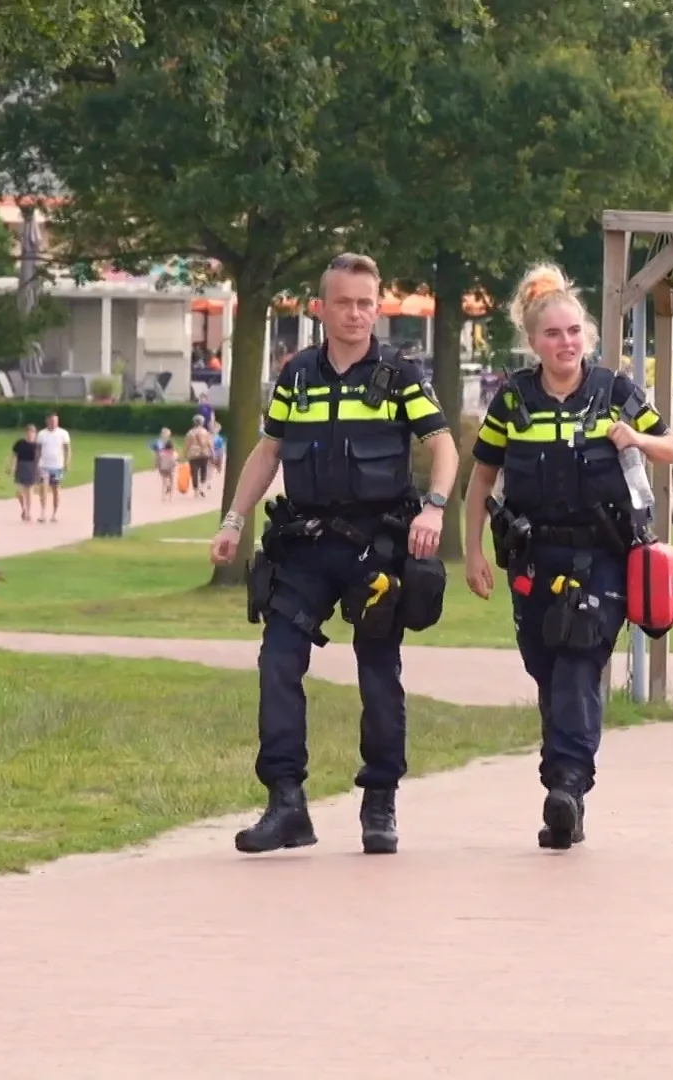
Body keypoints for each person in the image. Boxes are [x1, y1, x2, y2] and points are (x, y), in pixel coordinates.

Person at [210, 252, 458, 857]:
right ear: (320, 308)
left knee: (378, 672)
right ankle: (286, 804)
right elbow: (268, 452)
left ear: (378, 307)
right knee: (277, 662)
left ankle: (380, 803)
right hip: (305, 545)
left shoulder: (400, 375)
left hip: (377, 548)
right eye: (343, 302)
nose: (355, 313)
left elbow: (443, 447)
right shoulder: (297, 376)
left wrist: (433, 507)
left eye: (366, 303)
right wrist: (234, 520)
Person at [462, 263, 673, 850]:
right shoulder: (513, 400)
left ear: (588, 335)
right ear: (533, 341)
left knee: (580, 662)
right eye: (553, 334)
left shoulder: (615, 392)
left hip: (600, 559)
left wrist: (636, 438)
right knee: (547, 668)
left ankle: (566, 786)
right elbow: (481, 479)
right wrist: (474, 552)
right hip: (533, 558)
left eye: (574, 332)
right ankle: (565, 785)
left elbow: (671, 447)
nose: (566, 343)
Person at [34, 414, 71, 522]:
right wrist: (36, 463)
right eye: (51, 421)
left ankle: (54, 513)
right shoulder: (41, 434)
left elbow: (67, 449)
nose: (53, 423)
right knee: (43, 489)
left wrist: (67, 462)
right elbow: (38, 450)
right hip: (44, 465)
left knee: (56, 489)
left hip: (57, 466)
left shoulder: (63, 433)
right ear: (47, 421)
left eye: (55, 421)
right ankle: (43, 513)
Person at [9, 424, 43, 522]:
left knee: (29, 491)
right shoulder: (20, 443)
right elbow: (13, 455)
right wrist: (10, 466)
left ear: (35, 434)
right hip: (21, 466)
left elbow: (40, 458)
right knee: (20, 491)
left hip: (32, 467)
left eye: (32, 433)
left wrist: (40, 469)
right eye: (29, 432)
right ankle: (23, 507)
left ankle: (28, 512)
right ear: (26, 433)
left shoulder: (37, 445)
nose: (30, 434)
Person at [183, 415, 214, 498]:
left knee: (194, 472)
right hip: (204, 453)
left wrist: (184, 454)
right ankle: (202, 486)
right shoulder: (205, 432)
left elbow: (187, 445)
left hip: (193, 454)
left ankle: (196, 491)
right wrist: (212, 454)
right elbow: (210, 444)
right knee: (204, 471)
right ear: (202, 423)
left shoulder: (190, 433)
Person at [151, 427, 178, 500]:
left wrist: (156, 464)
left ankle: (165, 494)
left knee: (165, 480)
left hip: (162, 463)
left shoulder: (165, 442)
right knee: (169, 480)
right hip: (166, 463)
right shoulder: (161, 442)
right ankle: (169, 495)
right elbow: (156, 454)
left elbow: (156, 454)